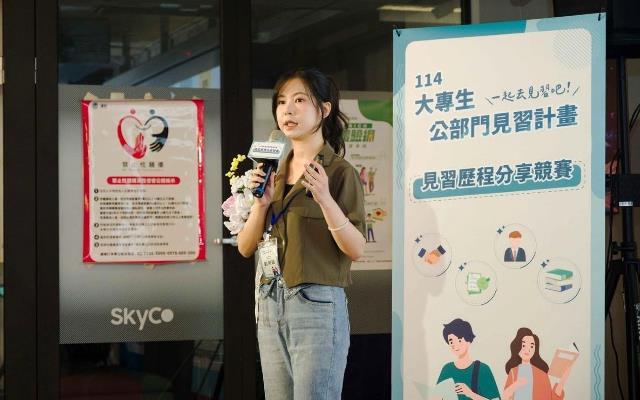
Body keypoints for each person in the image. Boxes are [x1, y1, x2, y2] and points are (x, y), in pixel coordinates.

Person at [237, 68, 366, 400]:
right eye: (281, 102)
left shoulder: (339, 172)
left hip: (316, 304)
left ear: (324, 109)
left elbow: (356, 249)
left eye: (299, 101)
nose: (287, 111)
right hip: (270, 301)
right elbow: (245, 247)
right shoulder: (273, 172)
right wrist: (261, 205)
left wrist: (325, 199)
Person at [436, 318, 500, 400]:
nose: (455, 345)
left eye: (459, 340)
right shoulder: (447, 369)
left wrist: (470, 394)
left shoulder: (482, 369)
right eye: (451, 342)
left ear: (468, 340)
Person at [503, 328, 569, 400]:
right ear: (517, 347)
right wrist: (516, 384)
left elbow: (552, 397)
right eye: (524, 345)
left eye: (531, 346)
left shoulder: (542, 374)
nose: (528, 350)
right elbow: (505, 396)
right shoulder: (513, 372)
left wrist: (562, 381)